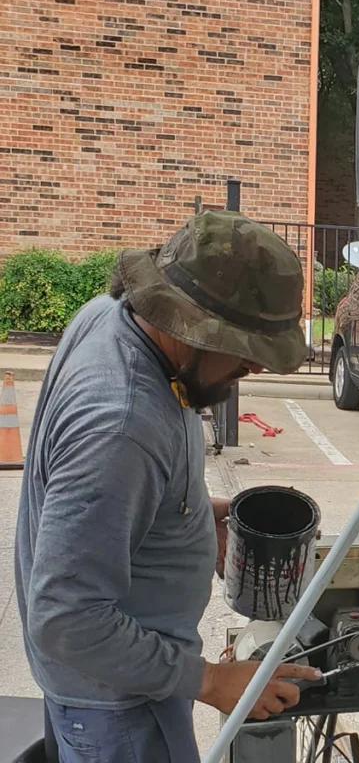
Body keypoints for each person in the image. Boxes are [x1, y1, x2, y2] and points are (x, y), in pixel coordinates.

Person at [15, 210, 323, 762]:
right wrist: (210, 680)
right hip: (117, 709)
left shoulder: (113, 319)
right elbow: (65, 618)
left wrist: (186, 512)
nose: (252, 368)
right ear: (191, 324)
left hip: (119, 689)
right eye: (246, 349)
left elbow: (101, 497)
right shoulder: (121, 424)